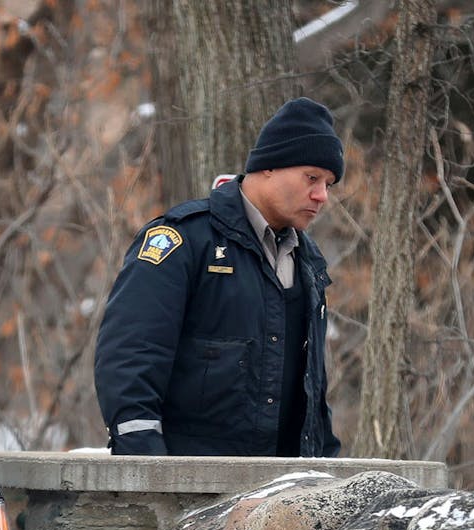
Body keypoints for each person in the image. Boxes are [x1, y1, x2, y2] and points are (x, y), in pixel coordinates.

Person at [94, 97, 344, 457]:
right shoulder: (183, 240)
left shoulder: (309, 262)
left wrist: (326, 472)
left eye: (329, 183)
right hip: (185, 490)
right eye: (312, 178)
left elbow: (311, 394)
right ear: (270, 166)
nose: (321, 195)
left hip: (281, 495)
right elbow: (130, 357)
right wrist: (148, 468)